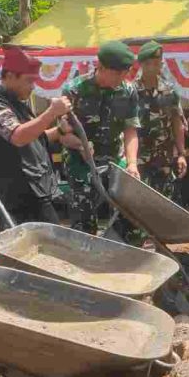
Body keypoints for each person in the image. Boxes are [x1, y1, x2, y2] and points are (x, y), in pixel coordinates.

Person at [0, 45, 79, 224]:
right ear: (10, 76)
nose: (33, 86)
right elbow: (18, 136)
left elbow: (35, 139)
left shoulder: (19, 105)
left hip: (37, 189)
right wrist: (51, 112)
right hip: (18, 197)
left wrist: (59, 131)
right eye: (28, 81)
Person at [61, 41, 141, 237]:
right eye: (118, 73)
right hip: (81, 163)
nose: (123, 78)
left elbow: (130, 129)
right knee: (85, 221)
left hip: (115, 158)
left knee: (131, 217)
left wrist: (132, 164)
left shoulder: (128, 91)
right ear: (101, 67)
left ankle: (127, 257)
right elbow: (63, 135)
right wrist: (80, 145)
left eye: (125, 73)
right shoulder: (74, 90)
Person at [135, 41, 188, 201]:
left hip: (164, 158)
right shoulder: (130, 92)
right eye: (151, 63)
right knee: (140, 203)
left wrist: (181, 154)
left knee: (166, 202)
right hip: (138, 159)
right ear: (143, 64)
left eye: (158, 63)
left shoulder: (169, 92)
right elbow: (125, 127)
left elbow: (177, 124)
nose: (156, 67)